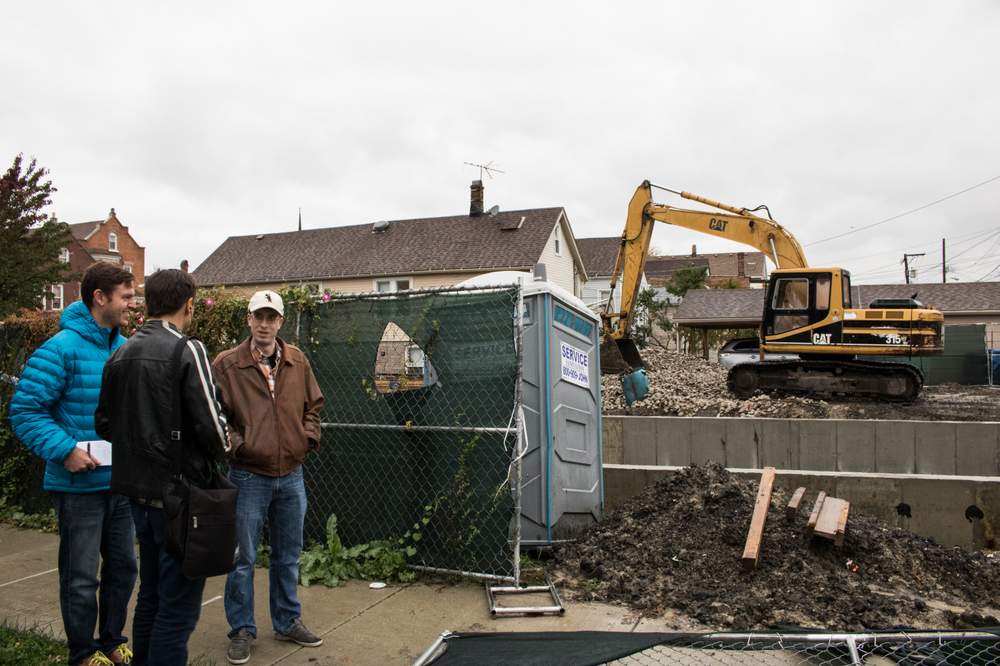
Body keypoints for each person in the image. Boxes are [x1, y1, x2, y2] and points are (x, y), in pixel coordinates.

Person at [95, 269, 228, 666]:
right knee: (178, 608)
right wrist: (223, 444)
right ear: (189, 304)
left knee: (151, 595)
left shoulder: (120, 352)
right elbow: (213, 428)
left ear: (148, 303)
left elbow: (104, 423)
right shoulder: (187, 349)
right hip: (179, 500)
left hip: (136, 494)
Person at [10, 262, 138, 666]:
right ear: (100, 298)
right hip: (77, 488)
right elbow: (26, 411)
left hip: (121, 485)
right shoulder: (60, 348)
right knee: (81, 578)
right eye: (126, 297)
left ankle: (113, 641)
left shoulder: (126, 347)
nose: (132, 305)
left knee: (123, 569)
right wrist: (65, 450)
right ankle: (82, 654)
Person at [212, 290, 324, 664]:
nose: (264, 324)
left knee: (288, 556)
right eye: (258, 317)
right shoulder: (227, 364)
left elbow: (314, 406)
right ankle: (242, 630)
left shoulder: (297, 360)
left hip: (292, 475)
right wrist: (238, 446)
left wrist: (307, 439)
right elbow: (216, 415)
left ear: (280, 322)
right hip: (247, 477)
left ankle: (288, 621)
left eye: (271, 317)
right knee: (241, 558)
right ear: (248, 320)